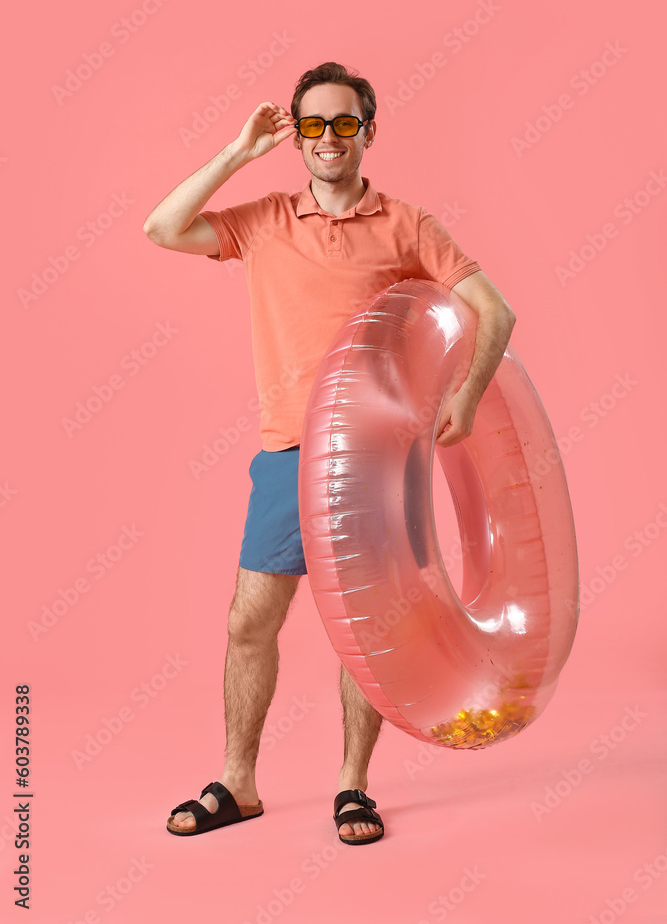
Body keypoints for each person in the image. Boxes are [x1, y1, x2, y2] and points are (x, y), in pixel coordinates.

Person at [143, 61, 516, 845]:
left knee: (366, 629)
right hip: (287, 453)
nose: (328, 138)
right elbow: (162, 228)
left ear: (367, 132)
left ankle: (353, 787)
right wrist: (236, 155)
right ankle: (237, 783)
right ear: (297, 134)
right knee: (251, 620)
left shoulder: (407, 224)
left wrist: (467, 394)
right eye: (312, 124)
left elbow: (493, 309)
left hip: (376, 463)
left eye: (344, 123)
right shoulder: (267, 217)